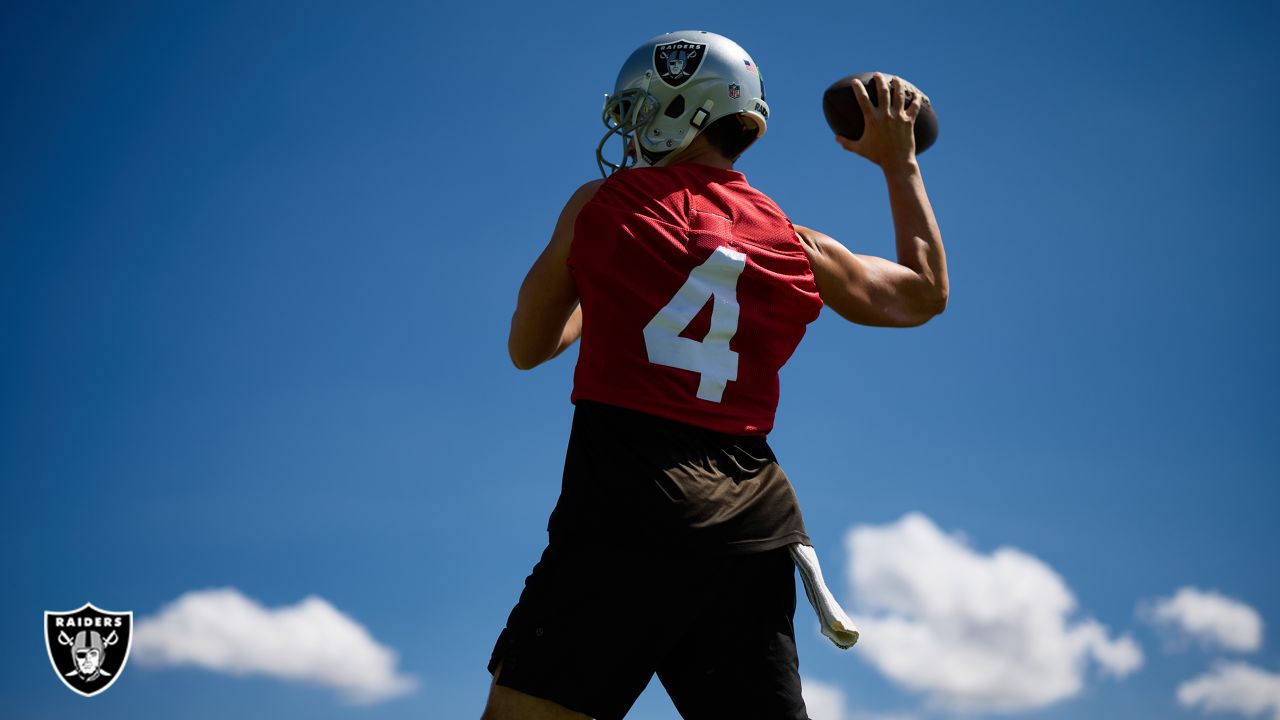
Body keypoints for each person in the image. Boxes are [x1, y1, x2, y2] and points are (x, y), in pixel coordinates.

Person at [483, 30, 948, 720]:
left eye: (641, 107)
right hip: (749, 527)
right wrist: (898, 162)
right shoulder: (797, 241)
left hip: (624, 509)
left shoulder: (601, 206)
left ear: (678, 109)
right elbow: (922, 293)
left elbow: (530, 344)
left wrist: (605, 291)